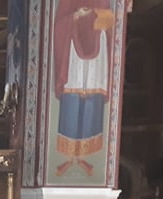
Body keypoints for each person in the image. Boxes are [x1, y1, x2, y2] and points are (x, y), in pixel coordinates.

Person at [52, 0, 115, 177]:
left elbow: (109, 19)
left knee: (91, 99)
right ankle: (70, 156)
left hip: (97, 48)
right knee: (73, 97)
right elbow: (59, 24)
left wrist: (94, 14)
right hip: (73, 49)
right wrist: (75, 16)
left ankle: (84, 155)